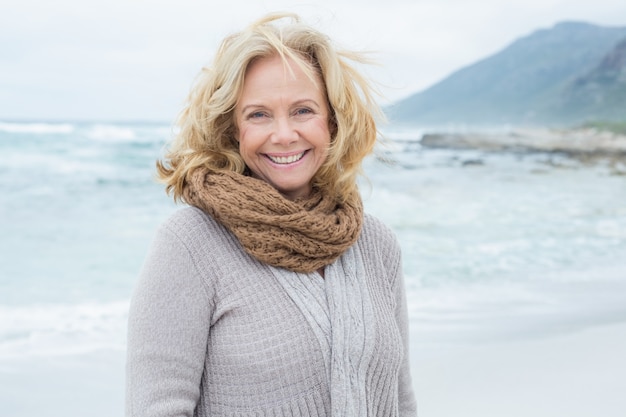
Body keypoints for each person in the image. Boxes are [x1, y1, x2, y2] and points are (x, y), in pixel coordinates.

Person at [126, 12, 417, 417]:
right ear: (233, 129)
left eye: (302, 110)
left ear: (332, 121)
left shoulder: (375, 243)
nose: (283, 134)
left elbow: (401, 404)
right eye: (258, 114)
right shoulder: (189, 243)